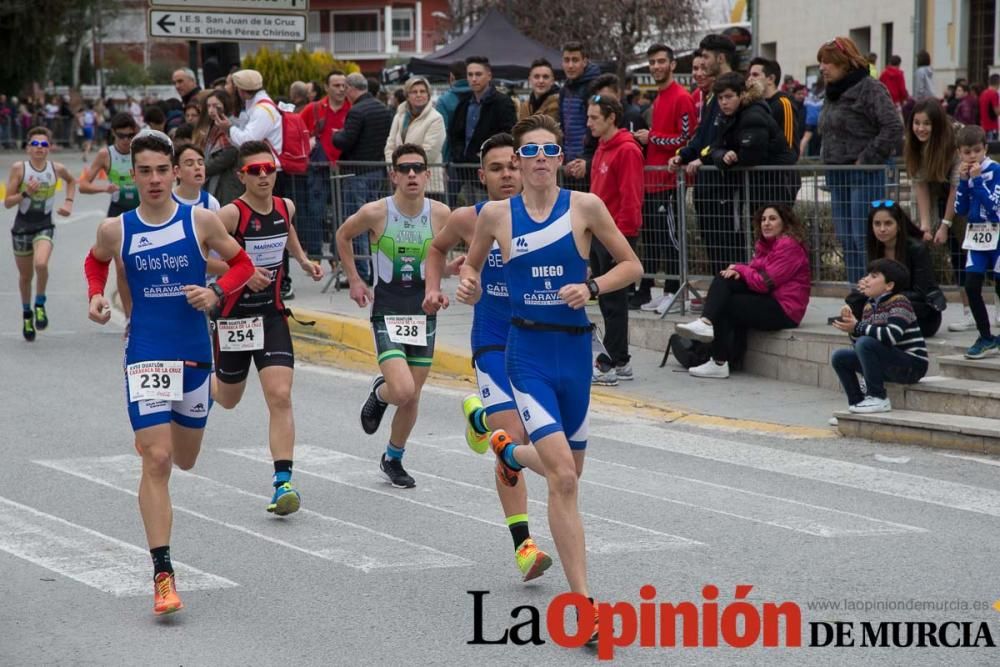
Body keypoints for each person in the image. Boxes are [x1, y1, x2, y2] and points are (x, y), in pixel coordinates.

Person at [455, 114, 643, 643]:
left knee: (570, 477)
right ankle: (584, 605)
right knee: (561, 477)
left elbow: (632, 265)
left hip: (575, 355)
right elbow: (470, 268)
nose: (539, 158)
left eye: (549, 150)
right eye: (530, 151)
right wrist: (468, 285)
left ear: (561, 158)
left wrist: (595, 287)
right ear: (518, 160)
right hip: (526, 353)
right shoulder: (496, 215)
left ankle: (509, 453)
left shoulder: (585, 207)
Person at [84, 129, 255, 615]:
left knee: (185, 459)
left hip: (193, 353)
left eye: (164, 169)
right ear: (132, 174)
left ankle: (178, 422)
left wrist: (217, 294)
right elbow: (95, 264)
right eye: (146, 171)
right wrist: (96, 297)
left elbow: (240, 264)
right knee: (156, 459)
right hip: (146, 351)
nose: (156, 179)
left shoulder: (199, 220)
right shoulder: (116, 229)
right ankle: (163, 574)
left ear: (175, 171)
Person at [422, 132, 554, 582]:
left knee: (526, 441)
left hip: (538, 343)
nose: (507, 175)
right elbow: (436, 249)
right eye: (496, 168)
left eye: (513, 166)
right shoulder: (470, 218)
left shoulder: (547, 215)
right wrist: (435, 288)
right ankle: (524, 546)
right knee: (513, 436)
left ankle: (478, 420)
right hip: (494, 340)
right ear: (482, 176)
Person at [210, 141, 324, 514]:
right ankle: (199, 383)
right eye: (255, 171)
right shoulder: (230, 215)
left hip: (272, 315)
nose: (263, 176)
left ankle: (283, 482)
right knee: (228, 399)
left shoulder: (284, 205)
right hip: (233, 318)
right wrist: (239, 273)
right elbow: (203, 257)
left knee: (280, 395)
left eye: (269, 169)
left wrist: (304, 261)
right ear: (241, 175)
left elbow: (286, 231)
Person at [335, 144, 450, 488]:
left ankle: (393, 458)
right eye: (405, 168)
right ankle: (380, 393)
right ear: (394, 175)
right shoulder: (376, 212)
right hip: (387, 310)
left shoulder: (442, 213)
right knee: (400, 390)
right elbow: (343, 235)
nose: (412, 174)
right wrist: (355, 280)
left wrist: (457, 270)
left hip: (424, 311)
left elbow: (452, 250)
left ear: (429, 174)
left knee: (413, 395)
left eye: (418, 168)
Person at [676, 204, 810, 378]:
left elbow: (764, 282)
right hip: (769, 299)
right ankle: (706, 323)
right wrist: (737, 271)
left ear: (784, 224)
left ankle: (718, 361)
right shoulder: (765, 245)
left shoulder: (788, 246)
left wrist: (740, 269)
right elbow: (754, 273)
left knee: (729, 303)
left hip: (785, 310)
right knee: (725, 278)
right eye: (763, 219)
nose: (766, 223)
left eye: (772, 219)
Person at [816, 36, 902, 284]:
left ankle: (872, 293)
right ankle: (856, 294)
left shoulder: (870, 88)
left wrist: (866, 159)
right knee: (845, 237)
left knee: (862, 237)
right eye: (820, 62)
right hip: (837, 174)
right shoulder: (831, 93)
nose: (822, 67)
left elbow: (892, 127)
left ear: (844, 62)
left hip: (862, 174)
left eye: (827, 62)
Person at [669, 33, 740, 274]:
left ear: (720, 58)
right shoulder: (713, 96)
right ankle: (719, 294)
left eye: (707, 57)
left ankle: (728, 297)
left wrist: (705, 158)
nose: (703, 62)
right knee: (712, 244)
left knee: (728, 246)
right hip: (706, 185)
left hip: (726, 185)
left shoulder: (737, 89)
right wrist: (683, 155)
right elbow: (702, 136)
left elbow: (730, 139)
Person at [587, 95, 644, 384]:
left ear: (611, 117)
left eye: (595, 117)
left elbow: (631, 197)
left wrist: (623, 236)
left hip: (616, 235)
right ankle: (615, 357)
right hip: (599, 233)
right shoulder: (601, 148)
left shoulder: (627, 150)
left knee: (615, 300)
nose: (589, 123)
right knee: (606, 299)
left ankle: (618, 359)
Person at [903, 99, 970, 330]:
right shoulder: (915, 145)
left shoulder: (955, 141)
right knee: (957, 256)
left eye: (927, 124)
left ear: (938, 124)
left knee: (978, 254)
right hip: (938, 194)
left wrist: (945, 224)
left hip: (970, 196)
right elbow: (920, 184)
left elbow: (956, 187)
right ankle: (968, 312)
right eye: (917, 123)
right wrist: (926, 226)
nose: (920, 128)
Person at [4, 126, 75, 340]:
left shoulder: (56, 169)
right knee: (26, 276)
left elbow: (72, 181)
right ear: (28, 148)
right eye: (35, 144)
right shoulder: (20, 169)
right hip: (22, 227)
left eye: (44, 144)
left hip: (45, 225)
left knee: (41, 264)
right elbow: (7, 202)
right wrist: (26, 192)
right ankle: (27, 315)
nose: (40, 148)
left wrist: (68, 203)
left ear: (49, 148)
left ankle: (40, 303)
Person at [831, 259, 928, 414]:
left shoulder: (899, 302)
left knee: (866, 342)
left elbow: (890, 336)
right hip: (889, 362)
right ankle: (857, 403)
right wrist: (852, 328)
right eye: (868, 275)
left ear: (889, 286)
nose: (866, 279)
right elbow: (860, 345)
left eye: (874, 276)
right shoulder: (870, 305)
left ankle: (878, 397)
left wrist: (858, 326)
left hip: (912, 365)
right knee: (840, 357)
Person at [845, 202, 944, 337]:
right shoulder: (875, 249)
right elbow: (875, 284)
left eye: (888, 223)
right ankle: (860, 324)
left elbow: (922, 292)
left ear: (898, 225)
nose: (882, 229)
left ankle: (870, 325)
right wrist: (866, 286)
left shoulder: (916, 249)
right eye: (877, 224)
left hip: (918, 311)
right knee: (855, 296)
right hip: (886, 306)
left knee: (888, 303)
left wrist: (882, 293)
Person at [78, 112, 142, 316]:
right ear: (113, 133)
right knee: (122, 267)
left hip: (141, 212)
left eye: (130, 135)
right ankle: (129, 317)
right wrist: (104, 189)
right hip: (117, 214)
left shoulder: (140, 152)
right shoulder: (106, 154)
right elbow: (83, 185)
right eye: (121, 135)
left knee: (141, 264)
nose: (126, 140)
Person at [707, 73, 799, 215]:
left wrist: (732, 157)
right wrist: (723, 156)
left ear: (742, 95)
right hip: (756, 185)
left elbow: (751, 156)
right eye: (720, 98)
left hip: (775, 183)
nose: (724, 102)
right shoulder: (726, 117)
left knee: (774, 230)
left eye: (729, 96)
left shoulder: (754, 114)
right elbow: (715, 147)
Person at [334, 72, 393, 285]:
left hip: (357, 171)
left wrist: (335, 134)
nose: (343, 92)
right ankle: (380, 269)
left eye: (344, 88)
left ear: (350, 88)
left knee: (357, 222)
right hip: (377, 169)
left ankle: (361, 272)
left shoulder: (357, 111)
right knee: (377, 222)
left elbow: (346, 140)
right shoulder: (383, 109)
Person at [954, 125, 1000, 359]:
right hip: (976, 237)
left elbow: (995, 208)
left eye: (976, 151)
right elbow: (960, 209)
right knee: (972, 285)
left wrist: (978, 181)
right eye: (966, 152)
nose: (972, 156)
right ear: (959, 153)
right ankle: (985, 336)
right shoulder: (965, 175)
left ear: (985, 149)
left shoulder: (995, 170)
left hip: (997, 234)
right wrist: (963, 183)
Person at [448, 56, 518, 203]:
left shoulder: (503, 102)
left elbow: (508, 133)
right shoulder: (463, 104)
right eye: (470, 74)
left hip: (491, 171)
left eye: (478, 74)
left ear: (489, 76)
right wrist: (460, 154)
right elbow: (454, 134)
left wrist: (484, 152)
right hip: (465, 171)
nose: (474, 79)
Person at [300, 70, 352, 263]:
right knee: (316, 212)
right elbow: (297, 131)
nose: (340, 89)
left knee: (342, 213)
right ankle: (315, 255)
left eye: (343, 85)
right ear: (326, 87)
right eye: (336, 85)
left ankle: (337, 255)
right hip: (318, 168)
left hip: (345, 169)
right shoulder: (313, 109)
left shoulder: (353, 108)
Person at [384, 76, 446, 194]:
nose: (418, 95)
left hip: (429, 185)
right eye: (414, 92)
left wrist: (402, 167)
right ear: (407, 96)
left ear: (428, 95)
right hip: (401, 182)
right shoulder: (399, 116)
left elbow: (429, 152)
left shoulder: (436, 118)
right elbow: (390, 145)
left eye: (422, 91)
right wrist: (394, 170)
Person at [558, 43, 602, 191]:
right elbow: (563, 127)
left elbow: (597, 128)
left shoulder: (594, 88)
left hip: (587, 163)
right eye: (566, 60)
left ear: (585, 61)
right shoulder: (565, 89)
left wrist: (587, 161)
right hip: (569, 163)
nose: (570, 65)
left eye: (575, 60)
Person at [747, 57, 802, 156]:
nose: (749, 79)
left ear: (771, 79)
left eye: (755, 75)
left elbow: (790, 147)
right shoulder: (754, 104)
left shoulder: (784, 103)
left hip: (778, 170)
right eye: (749, 75)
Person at [202, 90, 243, 206]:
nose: (211, 110)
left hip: (228, 182)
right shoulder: (213, 126)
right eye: (208, 106)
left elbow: (228, 154)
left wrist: (204, 168)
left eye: (215, 106)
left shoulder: (230, 124)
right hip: (217, 180)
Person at [171, 143, 220, 211]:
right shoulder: (165, 201)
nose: (197, 167)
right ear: (177, 171)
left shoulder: (211, 203)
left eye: (200, 163)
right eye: (190, 164)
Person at [981, 74, 1000, 141]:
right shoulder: (994, 94)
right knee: (993, 150)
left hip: (984, 126)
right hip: (992, 127)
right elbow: (997, 111)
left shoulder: (983, 93)